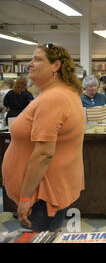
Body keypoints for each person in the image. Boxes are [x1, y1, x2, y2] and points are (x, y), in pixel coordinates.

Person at [1, 43, 85, 231]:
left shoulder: (53, 98)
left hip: (41, 196)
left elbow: (44, 153)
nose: (30, 64)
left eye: (37, 59)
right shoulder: (63, 93)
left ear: (56, 66)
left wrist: (25, 198)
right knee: (50, 233)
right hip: (47, 190)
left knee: (43, 234)